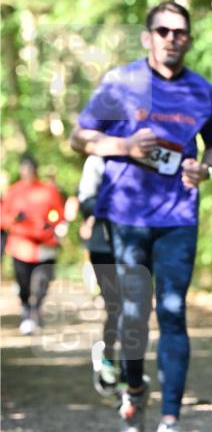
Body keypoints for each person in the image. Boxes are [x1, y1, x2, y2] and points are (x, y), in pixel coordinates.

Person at [70, 1, 212, 432]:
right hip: (128, 215)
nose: (171, 38)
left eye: (180, 32)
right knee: (134, 315)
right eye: (163, 30)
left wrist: (204, 170)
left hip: (178, 217)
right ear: (147, 37)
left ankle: (170, 424)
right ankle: (135, 388)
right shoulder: (121, 83)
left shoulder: (202, 90)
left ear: (189, 39)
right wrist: (124, 145)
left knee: (173, 313)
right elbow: (80, 137)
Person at [0, 155, 65, 334]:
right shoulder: (13, 192)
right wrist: (14, 218)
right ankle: (27, 310)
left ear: (35, 170)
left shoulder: (48, 191)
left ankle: (36, 310)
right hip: (21, 246)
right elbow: (3, 217)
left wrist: (52, 224)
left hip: (45, 244)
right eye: (24, 168)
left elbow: (58, 214)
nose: (27, 172)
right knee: (24, 284)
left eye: (30, 168)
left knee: (43, 281)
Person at [77, 155, 124, 399]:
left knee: (135, 306)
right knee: (116, 306)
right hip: (103, 246)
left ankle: (129, 370)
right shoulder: (97, 160)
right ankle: (107, 358)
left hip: (136, 242)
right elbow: (85, 202)